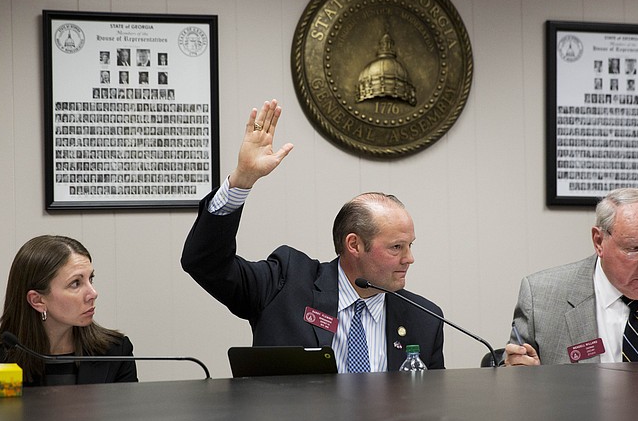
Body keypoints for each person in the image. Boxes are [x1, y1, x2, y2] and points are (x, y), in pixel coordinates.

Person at [181, 99, 445, 372]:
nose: (409, 259)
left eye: (409, 245)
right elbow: (204, 264)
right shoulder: (285, 284)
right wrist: (241, 181)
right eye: (396, 247)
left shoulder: (424, 319)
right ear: (354, 244)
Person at [505, 188, 638, 366]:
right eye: (635, 250)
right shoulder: (542, 297)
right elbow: (516, 378)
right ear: (599, 241)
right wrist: (522, 375)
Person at [0, 235, 138, 386]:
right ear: (37, 300)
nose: (93, 294)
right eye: (75, 283)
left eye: (91, 279)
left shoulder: (116, 351)